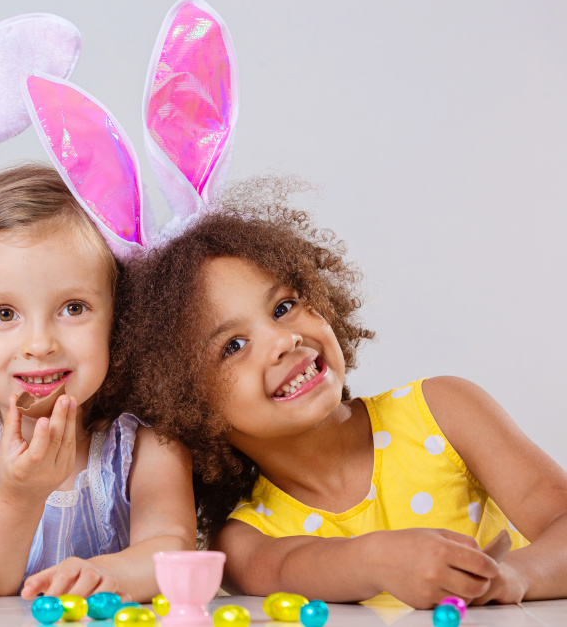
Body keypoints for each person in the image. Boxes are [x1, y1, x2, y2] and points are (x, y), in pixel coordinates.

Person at [114, 180, 567, 609]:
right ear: (189, 405)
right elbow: (296, 567)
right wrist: (379, 561)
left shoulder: (444, 410)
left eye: (284, 307)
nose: (282, 340)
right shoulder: (244, 541)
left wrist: (516, 577)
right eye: (232, 346)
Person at [0, 163, 196, 602]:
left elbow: (172, 551)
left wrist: (103, 576)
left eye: (73, 308)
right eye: (4, 314)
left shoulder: (147, 441)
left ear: (120, 320)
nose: (39, 344)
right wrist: (20, 497)